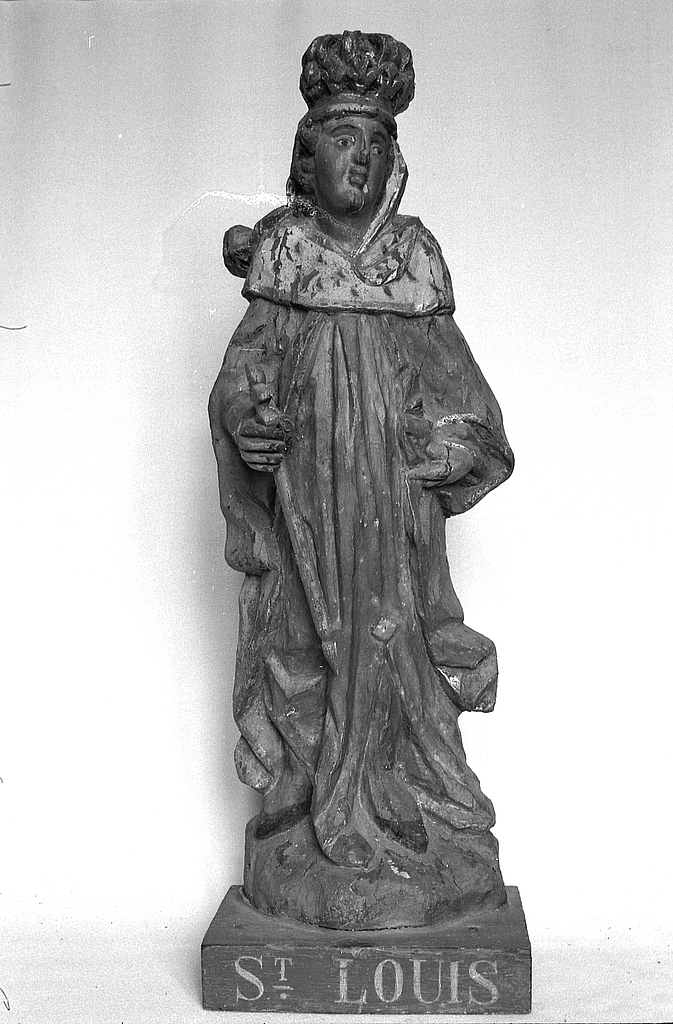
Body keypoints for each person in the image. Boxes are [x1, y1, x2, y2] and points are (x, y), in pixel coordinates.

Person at [209, 31, 514, 927]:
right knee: (304, 648)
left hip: (394, 517)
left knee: (397, 645)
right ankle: (315, 813)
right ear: (307, 157)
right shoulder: (284, 255)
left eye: (378, 142)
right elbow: (243, 374)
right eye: (344, 139)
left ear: (395, 160)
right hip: (306, 516)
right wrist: (246, 422)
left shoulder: (412, 257)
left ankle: (411, 807)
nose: (363, 158)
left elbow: (463, 395)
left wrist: (459, 447)